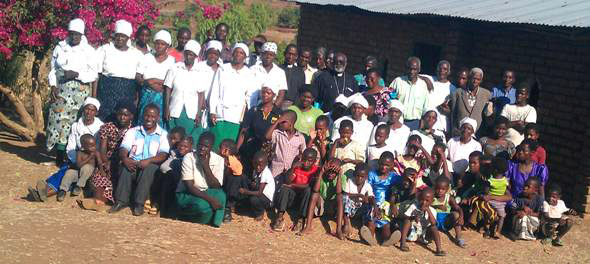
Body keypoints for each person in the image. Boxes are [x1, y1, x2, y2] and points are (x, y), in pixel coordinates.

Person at [46, 18, 97, 166]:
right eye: (71, 33)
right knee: (58, 123)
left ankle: (71, 157)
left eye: (77, 34)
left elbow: (93, 74)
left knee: (73, 124)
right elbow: (53, 70)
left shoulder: (89, 51)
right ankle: (58, 156)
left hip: (80, 92)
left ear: (82, 35)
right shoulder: (60, 47)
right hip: (61, 89)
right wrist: (53, 86)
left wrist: (76, 74)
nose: (74, 37)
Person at [109, 104, 170, 216]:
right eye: (147, 116)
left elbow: (163, 154)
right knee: (125, 166)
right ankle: (121, 201)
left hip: (150, 165)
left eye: (153, 116)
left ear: (157, 118)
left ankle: (139, 204)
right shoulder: (133, 131)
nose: (149, 119)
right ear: (143, 116)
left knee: (150, 169)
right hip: (134, 163)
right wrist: (125, 158)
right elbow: (124, 148)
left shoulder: (163, 134)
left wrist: (149, 160)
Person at [209, 43, 257, 150]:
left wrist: (248, 117)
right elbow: (215, 91)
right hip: (219, 114)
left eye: (241, 53)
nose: (238, 55)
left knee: (228, 149)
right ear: (232, 53)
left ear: (245, 57)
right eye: (236, 52)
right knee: (216, 146)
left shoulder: (249, 74)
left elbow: (251, 98)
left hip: (236, 117)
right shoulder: (222, 69)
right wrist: (212, 111)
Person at [86, 102, 134, 207]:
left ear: (131, 116)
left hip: (122, 162)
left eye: (125, 115)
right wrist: (106, 162)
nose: (122, 117)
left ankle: (100, 201)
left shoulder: (134, 130)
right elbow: (103, 148)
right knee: (100, 177)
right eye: (120, 114)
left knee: (115, 183)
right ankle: (97, 201)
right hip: (106, 159)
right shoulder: (107, 127)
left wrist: (115, 164)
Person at [95, 19, 143, 122]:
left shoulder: (136, 54)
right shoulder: (104, 50)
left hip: (127, 93)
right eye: (118, 35)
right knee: (105, 122)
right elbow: (97, 75)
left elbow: (138, 79)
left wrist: (137, 100)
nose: (120, 38)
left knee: (124, 122)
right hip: (106, 93)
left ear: (128, 37)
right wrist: (94, 97)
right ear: (114, 35)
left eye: (123, 36)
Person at [175, 132, 226, 227]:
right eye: (200, 145)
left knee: (221, 196)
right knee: (201, 206)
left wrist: (205, 166)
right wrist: (211, 200)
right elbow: (189, 186)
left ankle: (215, 223)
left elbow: (216, 186)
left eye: (206, 146)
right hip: (188, 194)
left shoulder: (219, 160)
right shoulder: (189, 157)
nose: (202, 148)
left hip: (206, 191)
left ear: (211, 148)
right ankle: (200, 220)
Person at [57, 98, 103, 200]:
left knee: (86, 170)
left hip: (91, 165)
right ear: (83, 109)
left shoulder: (100, 127)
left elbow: (99, 149)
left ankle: (78, 186)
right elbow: (71, 147)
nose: (89, 112)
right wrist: (75, 161)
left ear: (96, 112)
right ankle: (62, 191)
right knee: (67, 173)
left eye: (92, 110)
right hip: (76, 161)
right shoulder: (76, 126)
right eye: (87, 109)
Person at [164, 40, 206, 143]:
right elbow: (167, 89)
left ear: (196, 56)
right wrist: (166, 108)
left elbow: (201, 94)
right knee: (172, 138)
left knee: (187, 140)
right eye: (187, 54)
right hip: (174, 109)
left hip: (190, 112)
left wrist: (198, 113)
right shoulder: (175, 68)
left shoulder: (200, 72)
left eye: (191, 55)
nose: (188, 57)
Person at [237, 85, 282, 173]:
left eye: (268, 93)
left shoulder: (279, 114)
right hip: (250, 149)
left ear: (274, 95)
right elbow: (243, 132)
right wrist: (237, 150)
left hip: (267, 152)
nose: (265, 95)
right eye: (263, 92)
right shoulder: (254, 110)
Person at [360, 152, 402, 247]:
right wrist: (374, 205)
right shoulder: (372, 174)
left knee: (385, 224)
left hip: (385, 205)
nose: (384, 167)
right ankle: (369, 237)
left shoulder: (394, 177)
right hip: (372, 202)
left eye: (387, 165)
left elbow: (404, 182)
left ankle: (387, 239)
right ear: (379, 163)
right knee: (371, 221)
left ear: (392, 165)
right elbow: (368, 190)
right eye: (382, 164)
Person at [136, 30, 175, 127]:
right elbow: (138, 77)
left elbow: (172, 81)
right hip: (146, 95)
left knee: (159, 123)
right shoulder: (147, 57)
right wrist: (148, 83)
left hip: (163, 98)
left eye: (163, 44)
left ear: (167, 46)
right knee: (144, 120)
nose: (159, 46)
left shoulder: (172, 61)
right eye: (157, 43)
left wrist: (154, 80)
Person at [273, 148, 318, 232]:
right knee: (285, 188)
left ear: (314, 161)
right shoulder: (298, 167)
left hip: (304, 200)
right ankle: (280, 217)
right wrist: (293, 168)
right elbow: (288, 181)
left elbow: (309, 185)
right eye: (304, 159)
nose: (306, 163)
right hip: (292, 199)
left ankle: (301, 219)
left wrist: (293, 185)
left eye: (310, 161)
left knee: (308, 190)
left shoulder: (315, 171)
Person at [300, 158, 345, 238]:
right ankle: (308, 227)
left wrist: (338, 176)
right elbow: (315, 190)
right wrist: (321, 173)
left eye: (334, 172)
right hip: (322, 205)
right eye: (329, 171)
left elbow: (338, 192)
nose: (330, 174)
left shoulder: (342, 177)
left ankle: (338, 230)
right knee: (314, 195)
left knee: (340, 197)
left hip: (333, 206)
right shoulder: (323, 175)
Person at [399, 188, 446, 256]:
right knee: (407, 221)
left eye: (427, 201)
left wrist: (428, 210)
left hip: (424, 234)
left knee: (434, 228)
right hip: (412, 231)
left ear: (432, 201)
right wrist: (413, 217)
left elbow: (433, 223)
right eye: (422, 199)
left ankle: (439, 249)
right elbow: (405, 216)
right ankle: (403, 243)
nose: (424, 202)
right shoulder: (414, 206)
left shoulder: (432, 210)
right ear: (419, 198)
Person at [389, 57, 431, 130]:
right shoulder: (398, 81)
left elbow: (426, 106)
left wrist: (422, 122)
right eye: (410, 68)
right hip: (397, 121)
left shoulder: (423, 85)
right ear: (406, 68)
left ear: (419, 70)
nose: (412, 71)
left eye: (415, 69)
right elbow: (389, 100)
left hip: (415, 123)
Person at [449, 67, 492, 136]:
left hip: (476, 133)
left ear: (481, 81)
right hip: (460, 132)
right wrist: (454, 129)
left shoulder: (486, 94)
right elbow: (453, 113)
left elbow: (487, 115)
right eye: (474, 78)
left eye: (478, 79)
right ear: (469, 78)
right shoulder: (458, 92)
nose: (475, 81)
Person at [158, 130, 192, 217]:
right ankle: (164, 210)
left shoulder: (193, 156)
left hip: (188, 182)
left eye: (186, 146)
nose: (182, 148)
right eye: (180, 145)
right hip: (175, 180)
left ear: (191, 147)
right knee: (167, 179)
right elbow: (163, 167)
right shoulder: (174, 153)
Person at [58, 134, 100, 202]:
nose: (94, 148)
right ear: (83, 147)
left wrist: (101, 171)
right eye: (91, 146)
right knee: (69, 173)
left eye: (94, 145)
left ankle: (78, 186)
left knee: (87, 167)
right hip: (80, 173)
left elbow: (100, 163)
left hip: (89, 175)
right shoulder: (80, 153)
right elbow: (78, 165)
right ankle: (62, 190)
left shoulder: (96, 153)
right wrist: (89, 157)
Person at [265, 110, 306, 177]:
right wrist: (277, 121)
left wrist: (297, 163)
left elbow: (303, 152)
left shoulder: (300, 137)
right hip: (276, 170)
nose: (280, 123)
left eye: (283, 122)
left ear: (291, 123)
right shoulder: (278, 133)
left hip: (290, 172)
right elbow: (267, 136)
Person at [238, 151, 276, 220]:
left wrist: (246, 191)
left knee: (253, 199)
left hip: (266, 199)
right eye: (256, 164)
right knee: (244, 178)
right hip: (259, 193)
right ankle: (247, 206)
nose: (258, 167)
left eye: (260, 165)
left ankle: (260, 212)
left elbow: (259, 193)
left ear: (266, 164)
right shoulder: (256, 170)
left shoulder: (266, 173)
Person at [250, 42, 288, 108]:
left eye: (271, 55)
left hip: (272, 108)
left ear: (274, 56)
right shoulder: (252, 69)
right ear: (261, 54)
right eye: (265, 54)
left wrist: (272, 109)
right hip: (253, 107)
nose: (268, 57)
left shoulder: (280, 72)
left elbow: (281, 94)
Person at [342, 164, 374, 238]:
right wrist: (358, 195)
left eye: (362, 177)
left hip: (360, 210)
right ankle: (347, 223)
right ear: (354, 174)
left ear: (366, 177)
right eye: (357, 176)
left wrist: (374, 206)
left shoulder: (367, 185)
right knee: (344, 198)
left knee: (370, 205)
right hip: (349, 209)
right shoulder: (350, 181)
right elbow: (345, 193)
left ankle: (365, 229)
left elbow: (371, 197)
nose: (359, 178)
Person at [423, 60, 455, 135]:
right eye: (440, 68)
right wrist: (426, 80)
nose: (442, 71)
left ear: (449, 72)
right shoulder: (430, 79)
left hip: (440, 127)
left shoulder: (452, 89)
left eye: (445, 69)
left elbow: (453, 111)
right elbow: (415, 74)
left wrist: (447, 111)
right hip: (425, 124)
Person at [432, 176, 466, 248]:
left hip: (445, 221)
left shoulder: (449, 198)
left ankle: (458, 237)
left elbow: (458, 208)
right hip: (434, 220)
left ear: (447, 190)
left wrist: (461, 217)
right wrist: (437, 206)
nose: (440, 191)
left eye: (443, 189)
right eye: (438, 188)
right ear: (434, 187)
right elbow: (425, 206)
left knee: (456, 214)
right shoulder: (432, 197)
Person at [218, 139, 244, 222]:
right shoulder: (217, 157)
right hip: (217, 183)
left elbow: (238, 171)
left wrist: (228, 160)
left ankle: (228, 207)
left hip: (228, 186)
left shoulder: (234, 160)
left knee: (236, 178)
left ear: (226, 150)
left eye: (220, 148)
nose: (219, 149)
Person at [486, 156, 510, 239]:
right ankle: (498, 232)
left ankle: (487, 231)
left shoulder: (490, 180)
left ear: (494, 170)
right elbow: (507, 189)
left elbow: (487, 192)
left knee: (489, 216)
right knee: (501, 217)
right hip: (501, 203)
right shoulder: (506, 181)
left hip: (490, 202)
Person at [281, 44, 306, 108]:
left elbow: (301, 90)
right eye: (289, 54)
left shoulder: (300, 72)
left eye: (293, 55)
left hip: (294, 105)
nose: (290, 57)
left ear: (296, 56)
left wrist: (295, 106)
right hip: (278, 103)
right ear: (284, 54)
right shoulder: (278, 69)